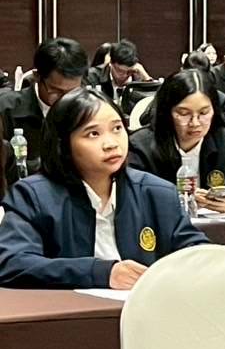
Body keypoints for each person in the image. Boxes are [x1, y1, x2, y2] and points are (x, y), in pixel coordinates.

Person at [0, 89, 206, 289]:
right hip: (72, 310)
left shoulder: (157, 192)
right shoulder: (33, 196)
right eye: (93, 134)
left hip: (146, 309)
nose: (111, 144)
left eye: (117, 129)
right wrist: (101, 273)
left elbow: (199, 255)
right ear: (63, 144)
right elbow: (12, 262)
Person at [127, 69, 225, 212]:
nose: (195, 123)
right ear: (167, 112)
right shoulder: (140, 146)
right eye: (184, 113)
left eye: (204, 113)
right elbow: (131, 197)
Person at [0, 37, 89, 175]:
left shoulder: (86, 109)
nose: (65, 99)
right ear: (36, 77)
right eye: (56, 91)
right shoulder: (5, 109)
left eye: (73, 91)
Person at [87, 39, 155, 116]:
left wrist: (146, 78)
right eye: (120, 71)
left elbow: (152, 108)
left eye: (129, 72)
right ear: (111, 63)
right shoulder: (92, 76)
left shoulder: (138, 78)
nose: (125, 75)